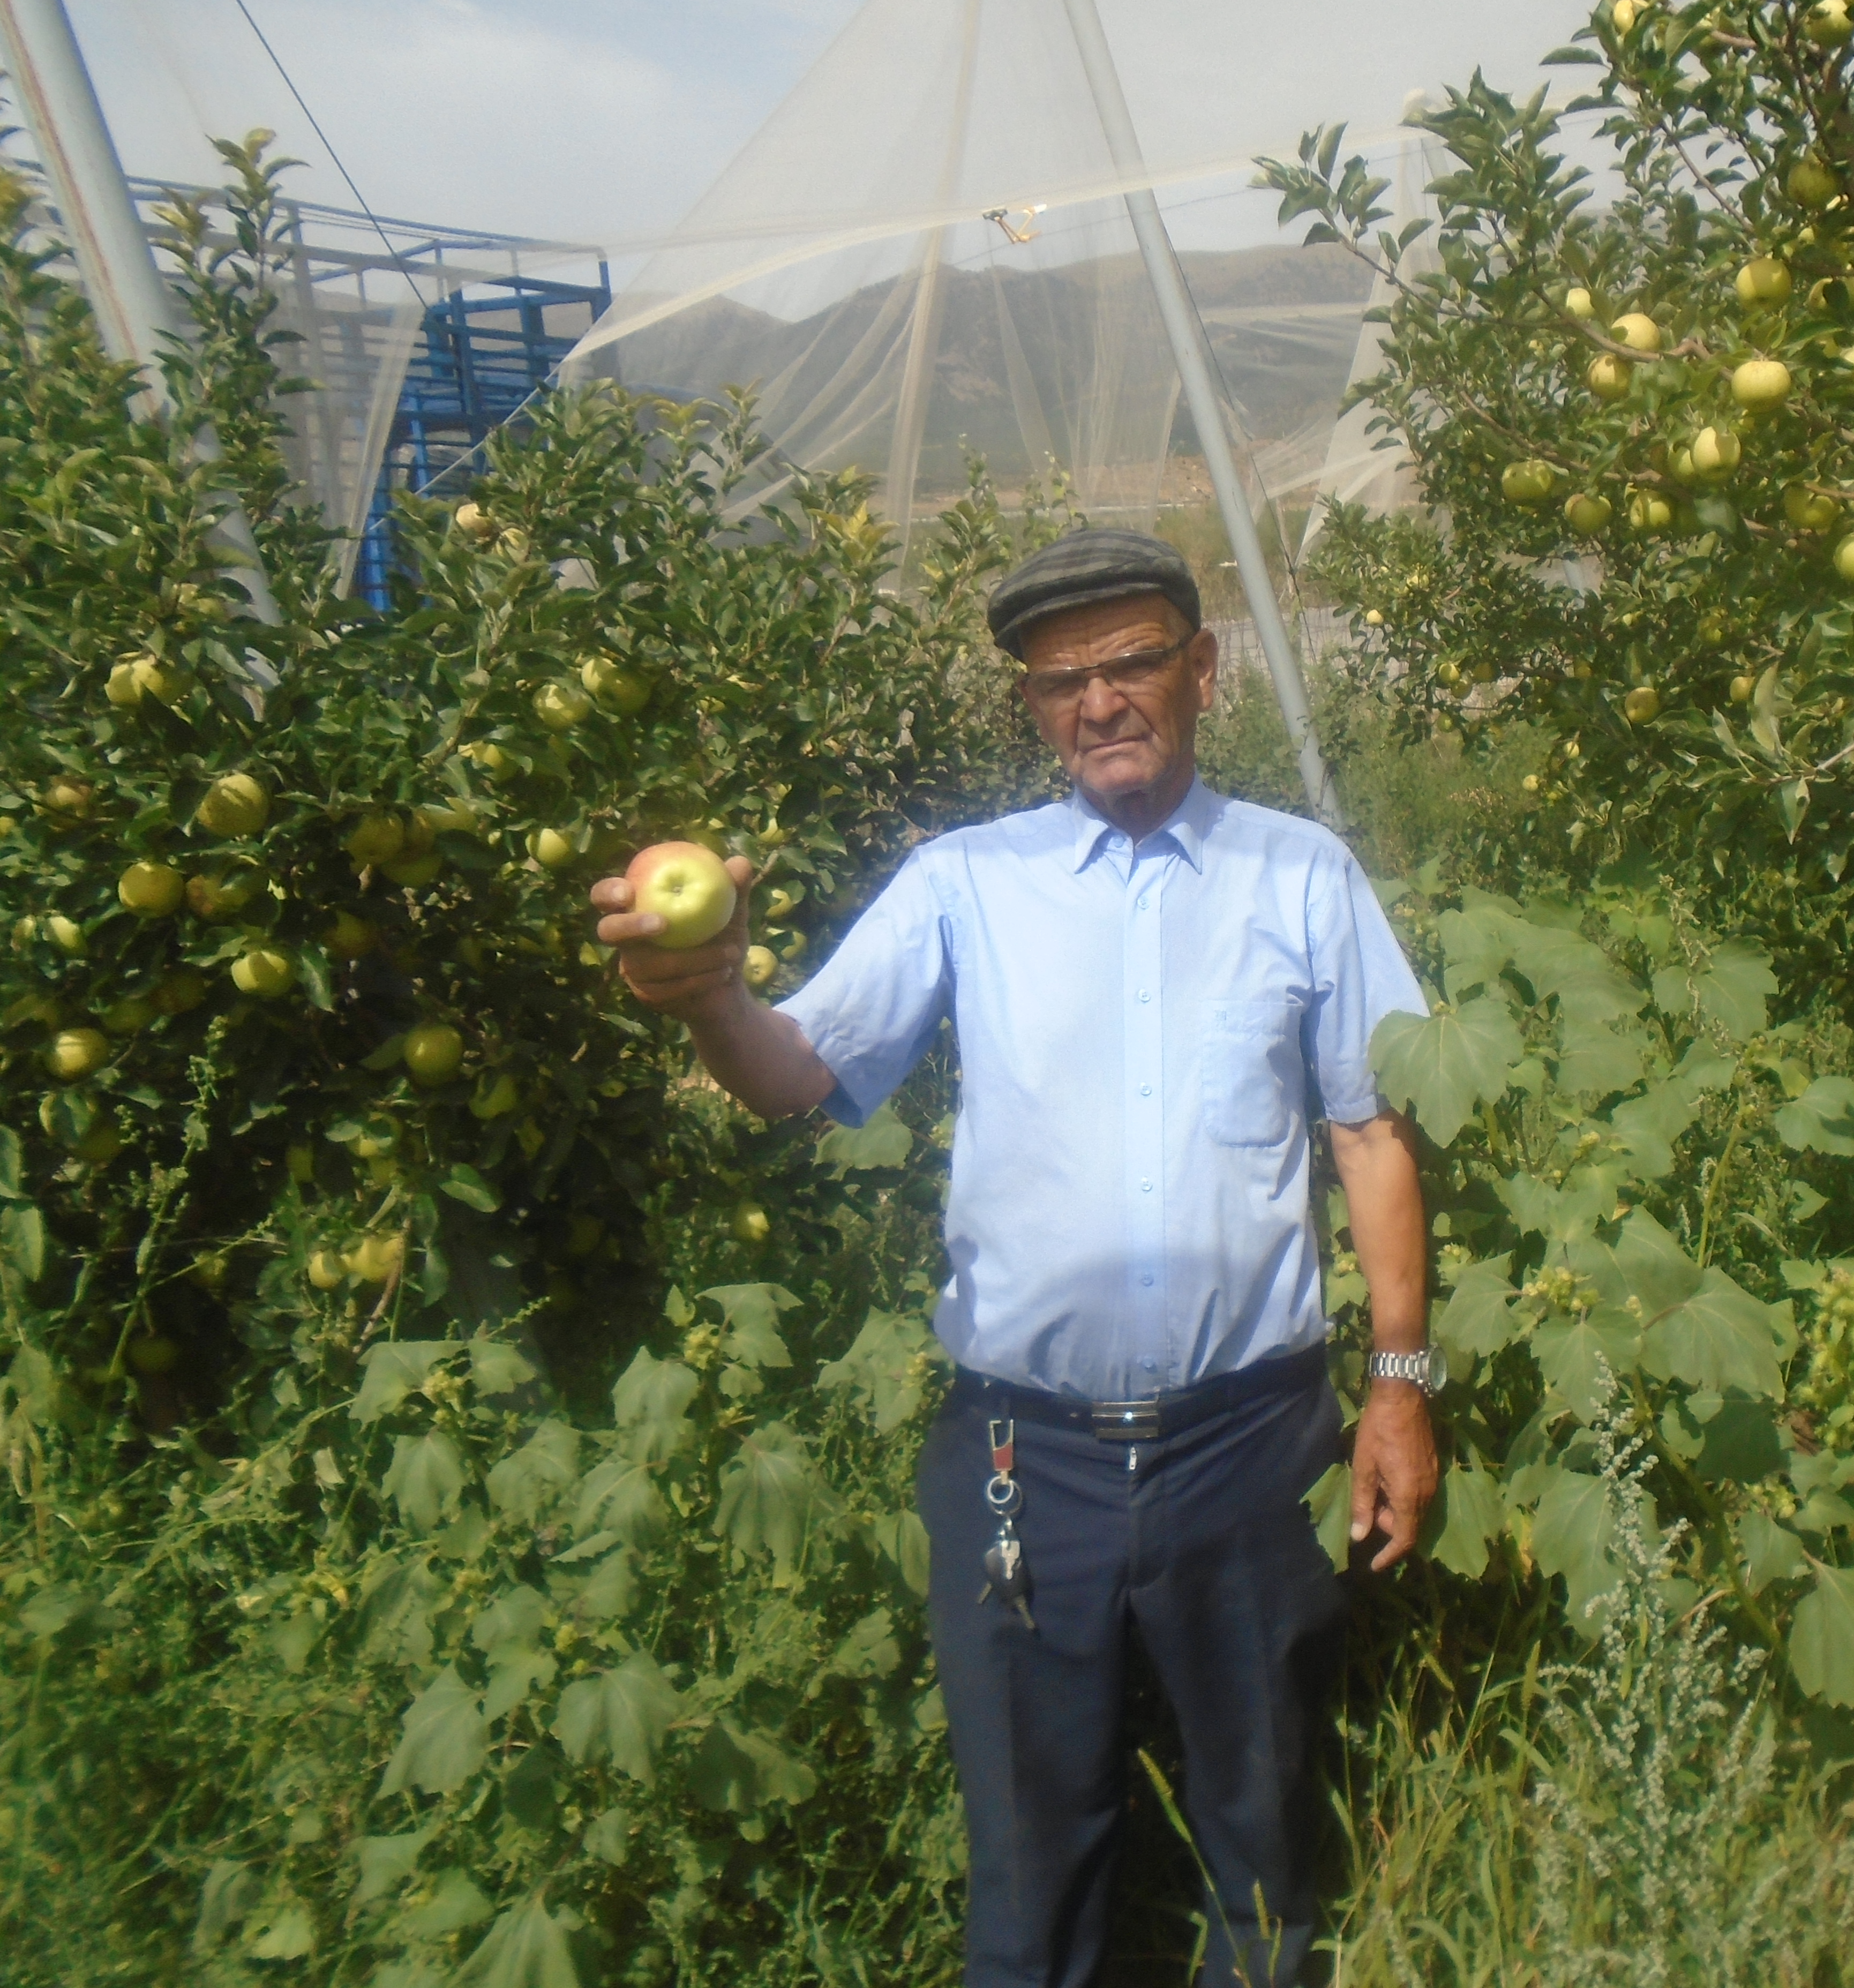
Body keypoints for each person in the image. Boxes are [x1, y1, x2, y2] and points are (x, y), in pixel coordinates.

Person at [592, 527, 1440, 1987]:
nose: (1099, 701)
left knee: (1265, 1845)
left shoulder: (1300, 874)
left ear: (1204, 669)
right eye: (1060, 681)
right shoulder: (962, 884)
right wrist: (711, 995)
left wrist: (1399, 1388)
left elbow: (1371, 1136)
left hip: (1251, 1450)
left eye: (1133, 662)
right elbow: (796, 1075)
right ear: (1033, 709)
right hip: (1021, 1459)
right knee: (1033, 1873)